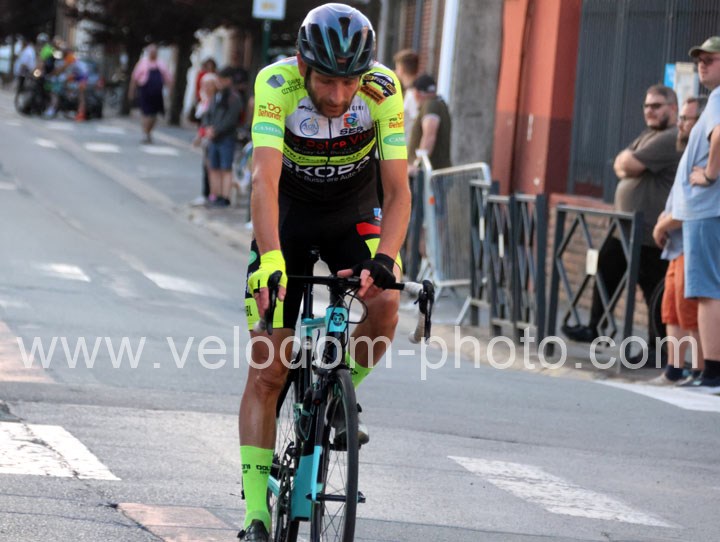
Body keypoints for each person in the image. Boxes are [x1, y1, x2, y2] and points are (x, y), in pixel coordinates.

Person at [237, 4, 410, 540]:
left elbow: (399, 190)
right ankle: (255, 513)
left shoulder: (383, 89)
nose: (338, 96)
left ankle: (340, 394)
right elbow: (263, 181)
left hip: (351, 212)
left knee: (386, 301)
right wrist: (271, 259)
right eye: (327, 81)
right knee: (269, 369)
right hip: (286, 217)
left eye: (348, 82)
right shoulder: (277, 85)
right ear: (302, 65)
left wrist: (385, 260)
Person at [562, 84, 682, 366]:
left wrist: (627, 164)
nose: (649, 111)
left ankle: (658, 349)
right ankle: (595, 328)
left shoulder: (671, 137)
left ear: (673, 108)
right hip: (625, 227)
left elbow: (631, 165)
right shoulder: (648, 135)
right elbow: (621, 163)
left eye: (656, 106)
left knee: (653, 289)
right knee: (605, 269)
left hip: (648, 231)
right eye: (646, 106)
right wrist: (626, 164)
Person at [667, 36, 720, 389]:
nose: (702, 64)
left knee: (706, 291)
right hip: (707, 209)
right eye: (700, 59)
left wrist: (711, 174)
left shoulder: (717, 98)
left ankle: (712, 371)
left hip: (706, 208)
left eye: (711, 59)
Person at [649, 96, 707, 385]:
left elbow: (693, 204)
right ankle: (673, 370)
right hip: (676, 244)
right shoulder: (687, 153)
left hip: (692, 242)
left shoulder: (704, 155)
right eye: (681, 118)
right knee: (671, 309)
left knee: (690, 309)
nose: (681, 124)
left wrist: (663, 224)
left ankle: (699, 370)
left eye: (687, 119)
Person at [204, 67, 243, 207]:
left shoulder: (234, 98)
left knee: (225, 168)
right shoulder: (216, 96)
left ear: (228, 80)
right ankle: (215, 194)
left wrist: (216, 130)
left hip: (227, 137)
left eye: (221, 80)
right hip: (214, 137)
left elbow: (231, 119)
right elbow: (208, 113)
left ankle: (225, 197)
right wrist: (208, 127)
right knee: (213, 167)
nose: (219, 83)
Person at [407, 73, 452, 172]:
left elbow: (429, 135)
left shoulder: (430, 105)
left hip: (430, 175)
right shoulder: (439, 104)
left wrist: (418, 164)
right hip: (438, 172)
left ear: (416, 93)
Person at [129, 44, 172, 144]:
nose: (153, 54)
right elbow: (134, 78)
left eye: (155, 52)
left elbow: (168, 78)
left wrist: (170, 91)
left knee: (154, 114)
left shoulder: (161, 64)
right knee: (146, 113)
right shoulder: (143, 63)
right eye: (151, 52)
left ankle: (149, 131)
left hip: (157, 93)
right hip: (145, 91)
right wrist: (131, 91)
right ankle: (145, 132)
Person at [393, 48, 420, 143]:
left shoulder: (412, 94)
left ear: (401, 69)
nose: (395, 71)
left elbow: (417, 123)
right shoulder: (413, 92)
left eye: (397, 68)